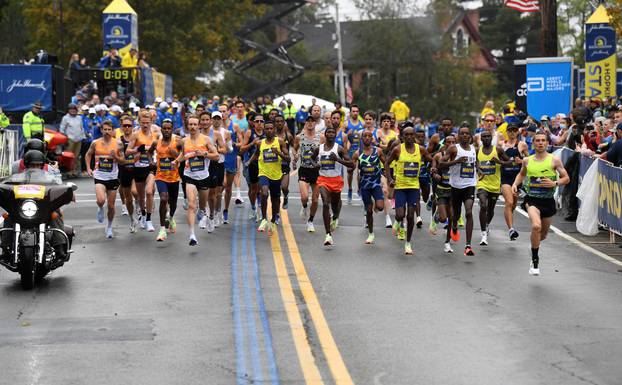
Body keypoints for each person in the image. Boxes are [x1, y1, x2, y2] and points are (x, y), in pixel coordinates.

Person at [512, 131, 569, 275]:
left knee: (542, 235)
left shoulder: (554, 160)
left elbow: (566, 178)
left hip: (548, 201)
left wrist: (554, 183)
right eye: (537, 140)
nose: (541, 143)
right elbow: (522, 174)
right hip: (532, 200)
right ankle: (535, 260)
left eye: (543, 140)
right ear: (533, 143)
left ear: (547, 143)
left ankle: (534, 245)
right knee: (536, 226)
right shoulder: (527, 160)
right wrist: (515, 184)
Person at [386, 126, 433, 255]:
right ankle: (397, 221)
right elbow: (387, 162)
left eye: (412, 135)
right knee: (400, 214)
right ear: (402, 136)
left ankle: (408, 243)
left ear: (415, 136)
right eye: (406, 135)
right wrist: (390, 178)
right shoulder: (398, 149)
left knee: (411, 216)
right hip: (400, 187)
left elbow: (432, 159)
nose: (409, 137)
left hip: (413, 187)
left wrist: (433, 168)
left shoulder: (421, 149)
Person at [176, 115, 219, 246]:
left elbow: (216, 156)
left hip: (204, 177)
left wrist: (204, 154)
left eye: (195, 124)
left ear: (199, 125)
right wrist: (176, 161)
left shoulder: (206, 140)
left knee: (201, 205)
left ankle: (203, 212)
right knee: (191, 205)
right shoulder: (184, 141)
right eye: (191, 124)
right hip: (189, 176)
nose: (193, 127)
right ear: (187, 126)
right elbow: (184, 155)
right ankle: (192, 235)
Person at [440, 125, 477, 256]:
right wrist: (456, 162)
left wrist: (480, 170)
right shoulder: (453, 149)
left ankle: (468, 246)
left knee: (468, 212)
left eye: (467, 133)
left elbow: (474, 164)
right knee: (453, 216)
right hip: (455, 186)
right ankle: (448, 239)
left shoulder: (474, 149)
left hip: (470, 185)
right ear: (458, 136)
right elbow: (441, 164)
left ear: (470, 136)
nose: (465, 136)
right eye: (462, 134)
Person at [85, 120, 125, 239]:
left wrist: (116, 157)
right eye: (105, 129)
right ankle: (100, 207)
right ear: (101, 130)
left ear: (112, 131)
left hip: (113, 177)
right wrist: (88, 168)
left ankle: (109, 227)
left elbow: (123, 160)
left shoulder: (118, 144)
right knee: (101, 200)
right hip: (99, 176)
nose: (107, 132)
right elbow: (88, 155)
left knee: (111, 206)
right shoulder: (95, 143)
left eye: (109, 129)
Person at [314, 126, 353, 246]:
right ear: (325, 135)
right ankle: (328, 234)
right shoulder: (319, 148)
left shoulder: (339, 149)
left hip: (336, 180)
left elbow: (352, 164)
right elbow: (311, 159)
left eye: (332, 133)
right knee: (326, 203)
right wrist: (315, 164)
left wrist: (337, 159)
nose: (330, 134)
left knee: (335, 205)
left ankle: (335, 216)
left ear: (335, 136)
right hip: (323, 180)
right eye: (328, 132)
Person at [250, 120, 290, 234]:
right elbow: (256, 154)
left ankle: (273, 220)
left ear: (274, 130)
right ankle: (263, 219)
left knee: (275, 199)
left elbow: (288, 159)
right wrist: (248, 162)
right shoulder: (260, 143)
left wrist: (279, 153)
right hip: (263, 173)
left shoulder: (280, 142)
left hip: (276, 175)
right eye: (266, 129)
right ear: (264, 130)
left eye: (271, 128)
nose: (269, 130)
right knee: (264, 193)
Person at [126, 110, 160, 232]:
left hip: (150, 167)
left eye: (147, 122)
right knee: (141, 197)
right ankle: (144, 215)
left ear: (151, 122)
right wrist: (137, 150)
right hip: (138, 167)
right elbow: (127, 151)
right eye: (143, 122)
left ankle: (149, 220)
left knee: (149, 192)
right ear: (139, 122)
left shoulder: (155, 134)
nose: (145, 125)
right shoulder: (135, 135)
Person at [475, 129, 510, 246]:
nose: (486, 138)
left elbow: (509, 162)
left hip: (495, 185)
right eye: (483, 136)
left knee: (490, 209)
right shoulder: (477, 151)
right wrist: (478, 168)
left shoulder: (498, 150)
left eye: (488, 136)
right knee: (483, 205)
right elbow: (475, 163)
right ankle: (483, 233)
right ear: (481, 138)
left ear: (491, 138)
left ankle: (486, 225)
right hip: (482, 183)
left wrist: (499, 161)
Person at [149, 119, 182, 241]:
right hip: (160, 176)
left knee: (173, 203)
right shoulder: (156, 142)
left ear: (172, 130)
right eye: (165, 128)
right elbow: (149, 152)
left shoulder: (177, 142)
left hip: (174, 177)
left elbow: (184, 155)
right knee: (163, 198)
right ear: (161, 129)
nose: (167, 130)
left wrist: (175, 155)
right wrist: (151, 161)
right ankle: (162, 229)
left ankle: (171, 217)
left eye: (169, 128)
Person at [352, 130, 386, 244]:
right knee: (369, 211)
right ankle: (371, 233)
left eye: (369, 136)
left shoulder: (378, 151)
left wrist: (387, 176)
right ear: (362, 139)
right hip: (365, 186)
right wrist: (358, 186)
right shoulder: (357, 153)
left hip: (376, 184)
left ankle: (376, 202)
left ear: (372, 138)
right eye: (364, 136)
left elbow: (386, 163)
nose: (367, 138)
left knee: (380, 207)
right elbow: (355, 170)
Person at [293, 116, 324, 232]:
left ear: (315, 123)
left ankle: (310, 221)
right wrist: (295, 156)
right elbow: (294, 149)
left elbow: (325, 149)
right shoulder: (299, 137)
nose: (310, 123)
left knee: (315, 200)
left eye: (312, 121)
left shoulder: (321, 137)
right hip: (304, 169)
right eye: (308, 121)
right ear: (305, 123)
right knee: (305, 197)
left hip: (316, 171)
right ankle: (305, 207)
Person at [501, 122, 529, 240]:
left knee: (512, 205)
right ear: (506, 132)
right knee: (509, 202)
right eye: (510, 131)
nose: (512, 133)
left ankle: (509, 221)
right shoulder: (501, 145)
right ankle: (511, 230)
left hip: (517, 179)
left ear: (517, 132)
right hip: (505, 178)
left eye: (514, 130)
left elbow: (529, 160)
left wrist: (521, 161)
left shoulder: (522, 144)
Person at [431, 134, 457, 252]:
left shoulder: (459, 156)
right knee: (443, 219)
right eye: (448, 142)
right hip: (441, 189)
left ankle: (447, 242)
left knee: (451, 216)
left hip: (454, 189)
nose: (451, 144)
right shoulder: (438, 156)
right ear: (444, 143)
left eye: (453, 142)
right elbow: (433, 169)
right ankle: (438, 213)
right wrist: (435, 173)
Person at [205, 111, 229, 231]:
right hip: (204, 165)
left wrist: (216, 149)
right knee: (205, 191)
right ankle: (208, 214)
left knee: (217, 192)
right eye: (214, 118)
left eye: (218, 118)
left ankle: (216, 212)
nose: (216, 120)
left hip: (218, 163)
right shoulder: (203, 131)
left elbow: (226, 149)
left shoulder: (223, 133)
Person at [240, 113, 265, 221]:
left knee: (261, 187)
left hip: (264, 163)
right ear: (253, 123)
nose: (259, 123)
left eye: (261, 121)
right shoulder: (250, 133)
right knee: (253, 188)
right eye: (257, 121)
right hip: (252, 163)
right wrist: (252, 144)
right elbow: (241, 149)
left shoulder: (268, 132)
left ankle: (259, 207)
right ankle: (253, 207)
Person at [118, 115, 139, 232]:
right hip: (124, 171)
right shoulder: (119, 141)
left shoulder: (137, 139)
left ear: (132, 127)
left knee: (135, 191)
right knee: (128, 199)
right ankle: (132, 219)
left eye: (129, 125)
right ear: (121, 127)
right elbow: (121, 158)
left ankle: (139, 205)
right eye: (124, 126)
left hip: (136, 170)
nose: (127, 128)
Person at [60, 103, 86, 177]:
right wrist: (64, 139)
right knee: (69, 156)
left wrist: (83, 137)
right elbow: (62, 129)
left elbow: (82, 128)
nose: (73, 111)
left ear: (76, 110)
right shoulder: (65, 118)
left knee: (77, 156)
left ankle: (76, 171)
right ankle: (68, 171)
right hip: (69, 139)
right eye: (71, 109)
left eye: (74, 110)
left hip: (79, 139)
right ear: (68, 110)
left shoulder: (79, 118)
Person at [345, 104, 364, 203]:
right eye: (353, 111)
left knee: (360, 172)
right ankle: (349, 189)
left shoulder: (362, 124)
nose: (355, 113)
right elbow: (342, 137)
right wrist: (347, 135)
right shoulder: (346, 124)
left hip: (360, 150)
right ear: (350, 112)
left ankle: (359, 190)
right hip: (351, 150)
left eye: (357, 111)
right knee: (350, 171)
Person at [275, 114, 294, 210]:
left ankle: (286, 196)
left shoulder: (288, 136)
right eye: (277, 121)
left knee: (284, 187)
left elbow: (294, 147)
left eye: (280, 121)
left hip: (285, 164)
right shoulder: (271, 135)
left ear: (283, 123)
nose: (279, 123)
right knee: (276, 190)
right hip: (273, 165)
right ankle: (277, 211)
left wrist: (295, 158)